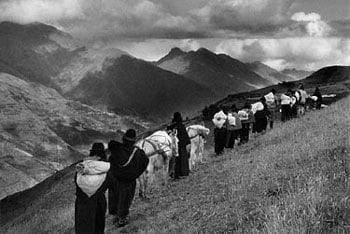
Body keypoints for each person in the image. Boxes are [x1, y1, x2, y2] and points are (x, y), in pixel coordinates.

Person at [108, 130, 149, 228]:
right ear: (134, 141)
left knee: (115, 197)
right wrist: (135, 174)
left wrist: (115, 173)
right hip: (129, 181)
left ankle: (115, 215)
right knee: (125, 199)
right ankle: (122, 219)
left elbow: (110, 161)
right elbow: (145, 162)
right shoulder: (138, 152)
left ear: (124, 139)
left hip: (115, 179)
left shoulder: (117, 149)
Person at [75, 143, 111, 234]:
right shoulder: (106, 169)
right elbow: (108, 184)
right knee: (98, 227)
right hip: (98, 202)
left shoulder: (81, 168)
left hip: (82, 203)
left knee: (82, 227)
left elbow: (76, 183)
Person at [171, 112, 191, 179]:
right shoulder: (182, 126)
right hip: (182, 145)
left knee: (176, 160)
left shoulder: (173, 127)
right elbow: (185, 136)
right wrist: (188, 142)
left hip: (175, 146)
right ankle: (184, 173)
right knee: (183, 159)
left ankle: (177, 174)